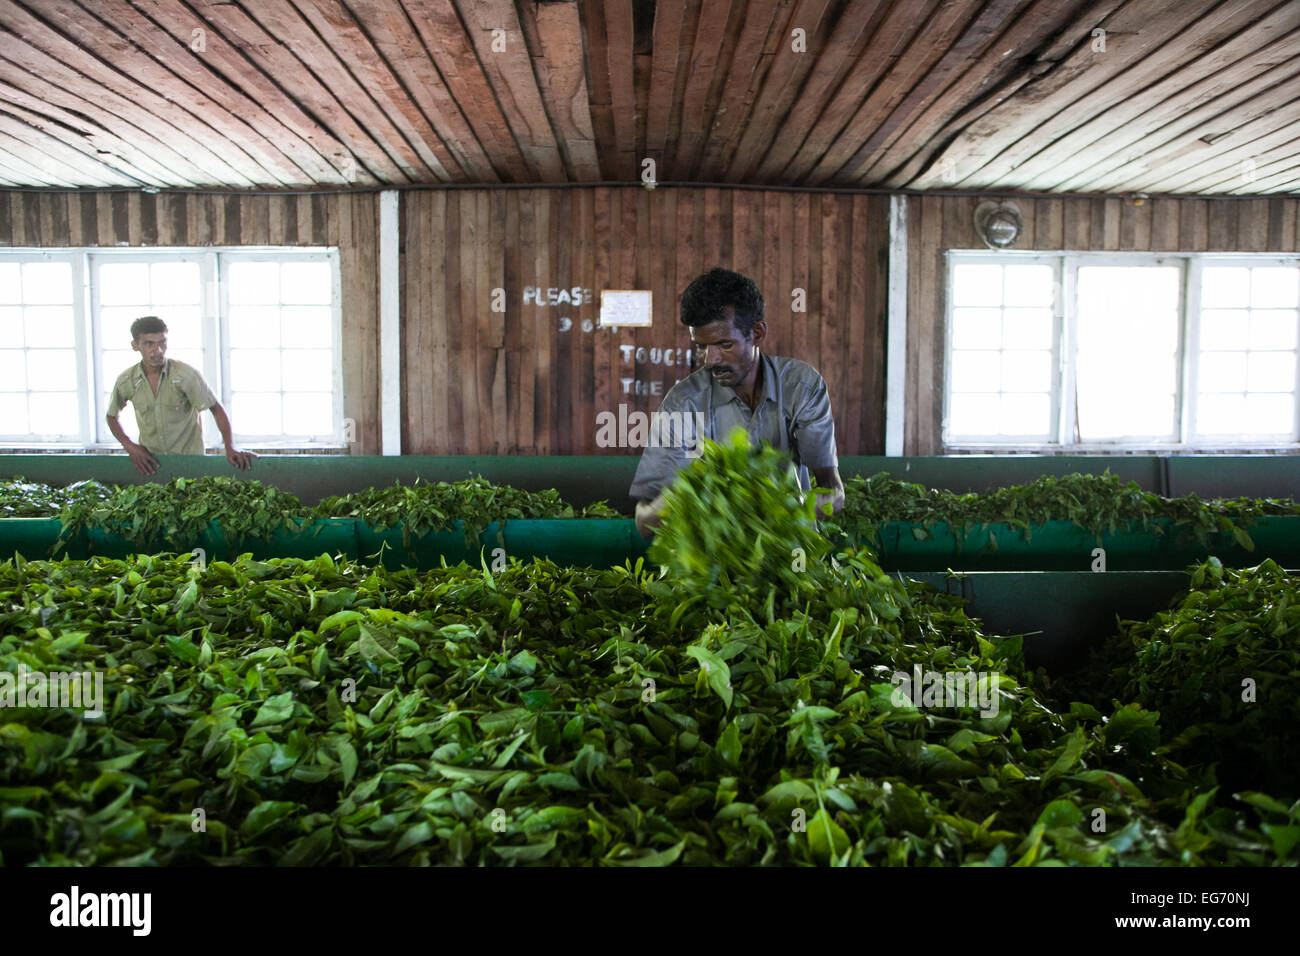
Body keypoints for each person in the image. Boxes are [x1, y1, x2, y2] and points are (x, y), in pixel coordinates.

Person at [630, 268, 845, 538]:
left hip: (791, 555)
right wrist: (679, 503)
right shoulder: (683, 403)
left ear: (756, 333)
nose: (710, 360)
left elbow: (834, 493)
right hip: (712, 567)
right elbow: (643, 520)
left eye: (724, 345)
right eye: (701, 347)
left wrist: (789, 511)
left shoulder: (801, 387)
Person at [106, 315, 255, 476]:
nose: (158, 350)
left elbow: (216, 408)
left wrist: (230, 447)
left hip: (191, 463)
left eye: (162, 342)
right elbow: (111, 417)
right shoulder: (126, 381)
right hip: (151, 465)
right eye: (149, 344)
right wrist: (130, 447)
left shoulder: (186, 375)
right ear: (135, 346)